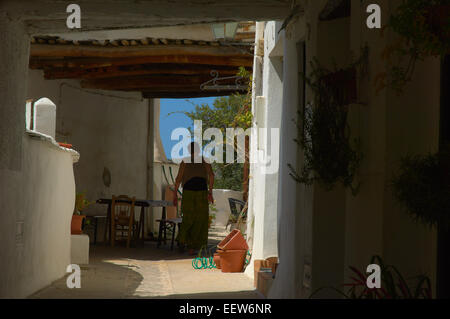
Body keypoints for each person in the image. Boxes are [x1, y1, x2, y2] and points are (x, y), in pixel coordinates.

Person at [173, 142, 214, 254]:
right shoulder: (204, 160)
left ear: (188, 150)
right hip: (201, 191)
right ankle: (194, 246)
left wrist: (174, 195)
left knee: (188, 217)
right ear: (199, 150)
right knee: (200, 219)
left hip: (189, 192)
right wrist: (210, 192)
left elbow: (178, 179)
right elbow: (211, 175)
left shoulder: (185, 161)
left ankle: (182, 241)